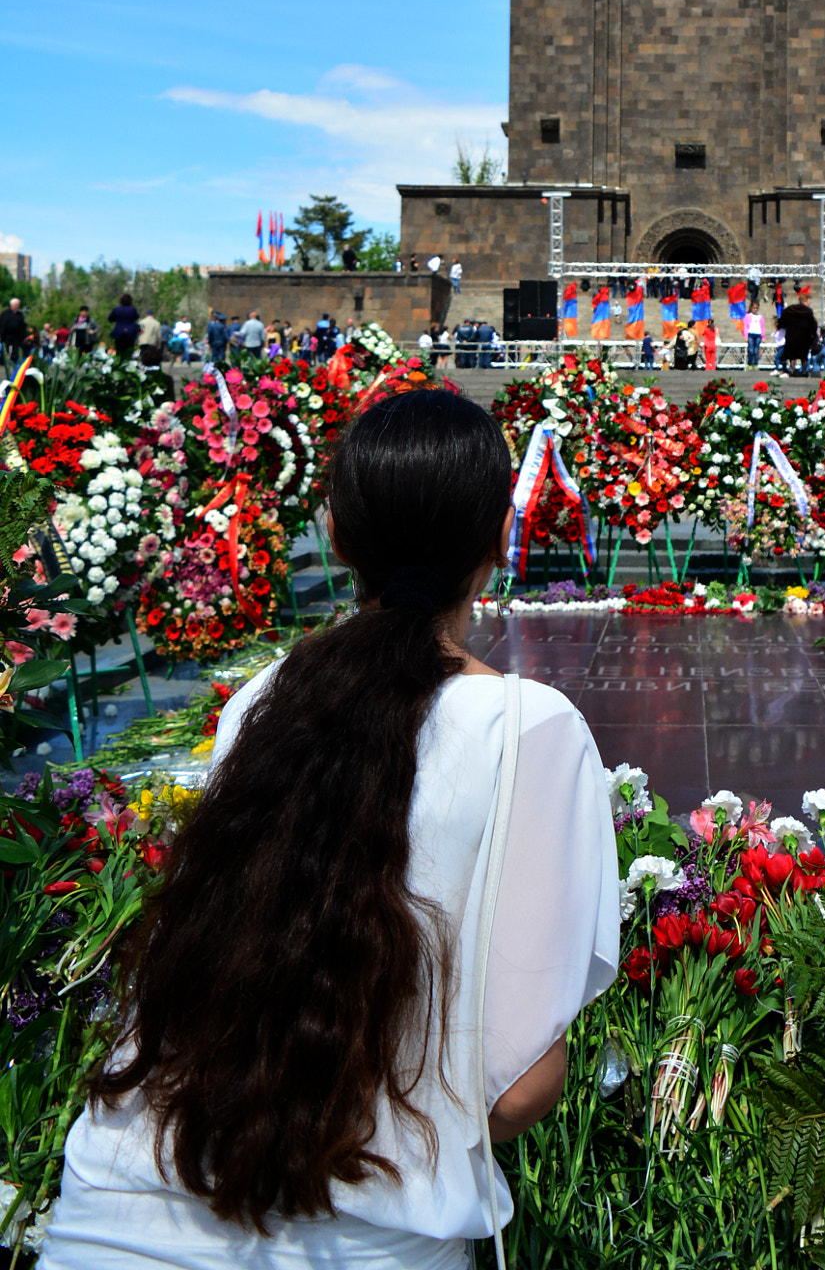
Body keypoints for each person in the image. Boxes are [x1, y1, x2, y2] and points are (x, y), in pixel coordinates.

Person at [43, 389, 617, 1268]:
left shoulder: (260, 701)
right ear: (501, 537)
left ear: (338, 537)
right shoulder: (529, 730)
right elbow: (518, 1090)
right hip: (365, 1240)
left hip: (109, 1216)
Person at [779, 296, 818, 377]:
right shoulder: (808, 311)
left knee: (792, 355)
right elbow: (813, 324)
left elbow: (782, 320)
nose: (809, 303)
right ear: (805, 301)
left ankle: (792, 370)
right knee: (804, 355)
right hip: (804, 337)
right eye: (809, 301)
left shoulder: (790, 309)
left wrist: (783, 326)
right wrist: (813, 335)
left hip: (791, 336)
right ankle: (804, 371)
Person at [108, 293, 139, 361]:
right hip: (130, 333)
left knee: (119, 351)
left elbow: (110, 319)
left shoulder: (117, 309)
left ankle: (119, 364)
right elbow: (136, 317)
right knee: (129, 351)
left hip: (119, 333)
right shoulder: (133, 309)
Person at [0, 296, 29, 367]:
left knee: (16, 349)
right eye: (15, 305)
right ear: (11, 305)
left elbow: (23, 326)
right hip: (6, 335)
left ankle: (14, 360)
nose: (17, 306)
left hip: (17, 336)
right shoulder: (5, 313)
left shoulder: (20, 314)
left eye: (18, 305)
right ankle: (3, 361)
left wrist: (25, 336)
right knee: (5, 348)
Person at [744, 302, 764, 369]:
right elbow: (745, 326)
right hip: (751, 334)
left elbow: (762, 327)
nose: (755, 309)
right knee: (751, 350)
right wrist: (746, 336)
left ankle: (755, 364)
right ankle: (749, 363)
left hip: (758, 334)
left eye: (756, 308)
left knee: (756, 350)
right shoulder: (748, 316)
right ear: (751, 308)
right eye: (754, 308)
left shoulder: (760, 316)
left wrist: (763, 337)